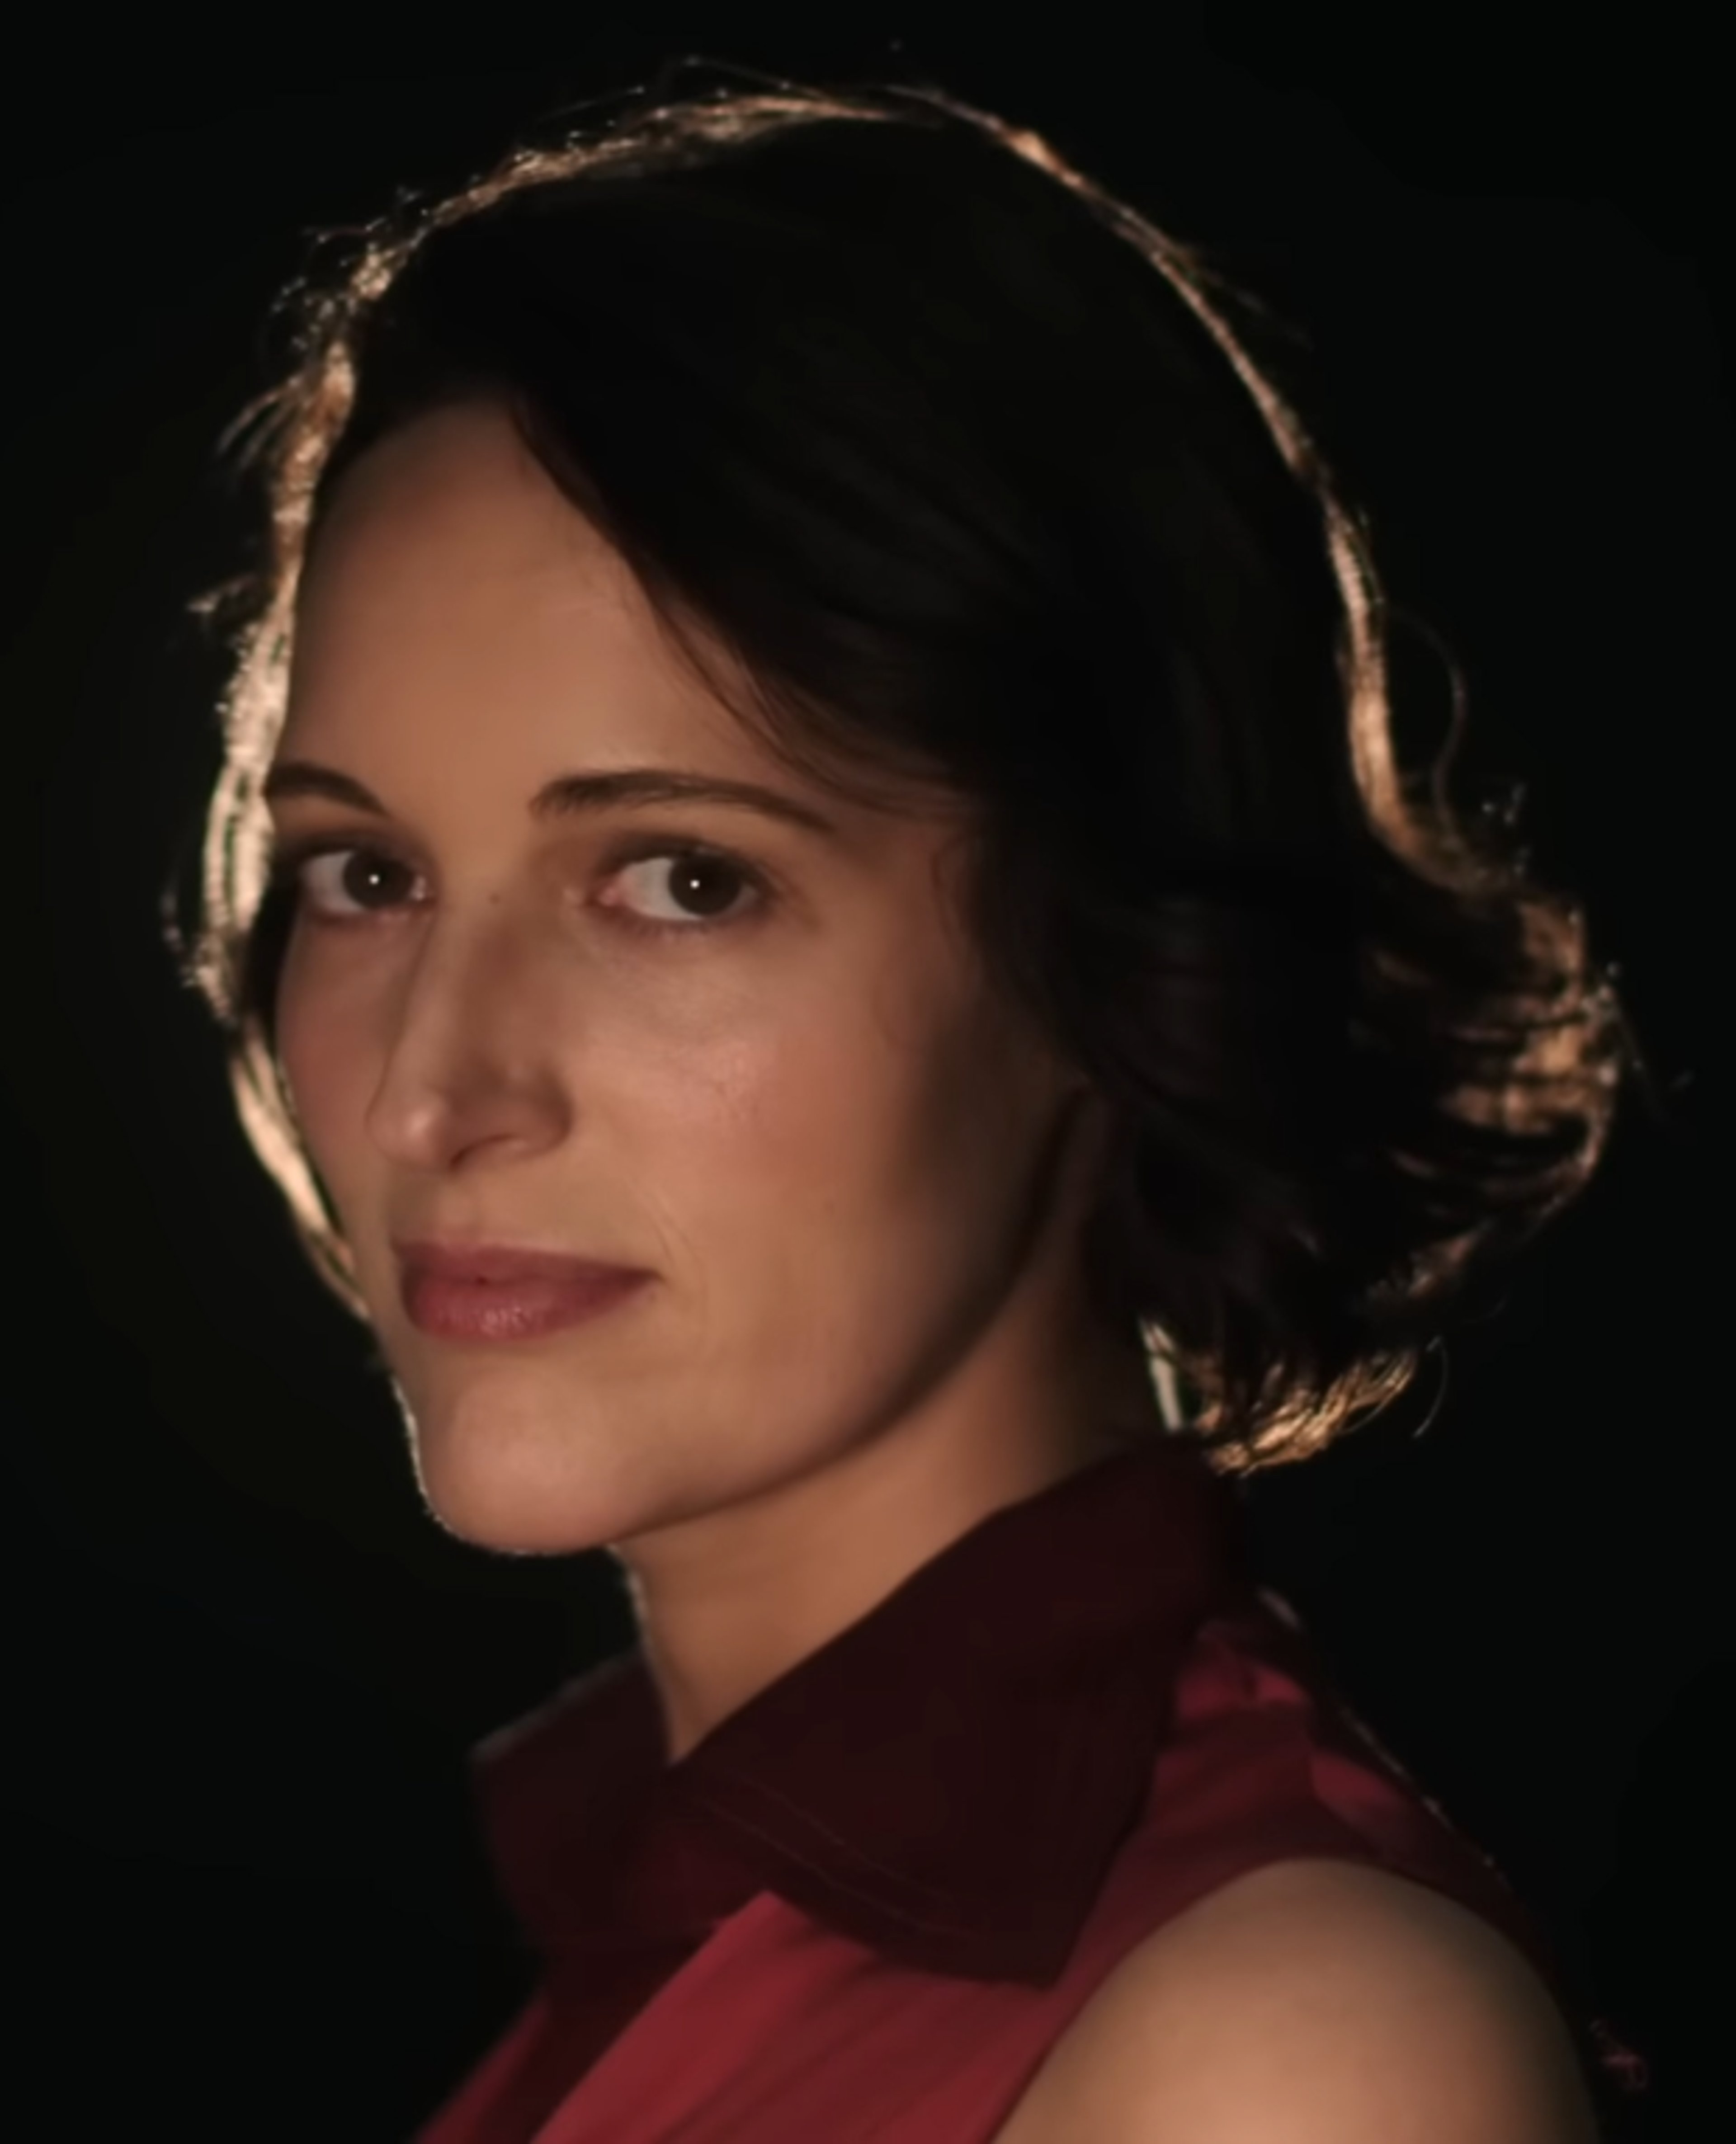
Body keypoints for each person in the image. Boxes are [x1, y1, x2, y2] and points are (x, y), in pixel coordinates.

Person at [162, 60, 1646, 2141]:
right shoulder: (654, 1963)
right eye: (368, 874)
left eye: (684, 878)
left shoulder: (1286, 2054)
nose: (436, 1087)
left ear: (1114, 950)